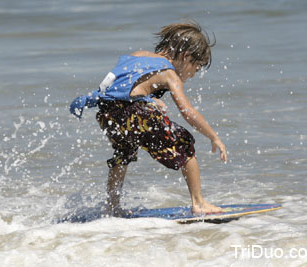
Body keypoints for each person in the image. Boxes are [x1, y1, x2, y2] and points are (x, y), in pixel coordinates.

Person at [70, 22, 227, 216]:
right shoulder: (170, 74)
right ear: (186, 57)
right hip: (134, 111)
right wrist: (213, 136)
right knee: (185, 144)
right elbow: (187, 111)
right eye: (196, 67)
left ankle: (112, 206)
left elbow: (119, 87)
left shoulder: (138, 55)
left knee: (123, 152)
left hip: (106, 112)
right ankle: (199, 203)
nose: (193, 75)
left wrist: (148, 99)